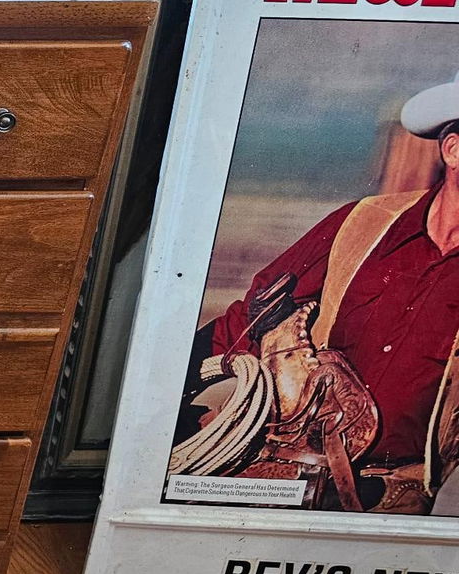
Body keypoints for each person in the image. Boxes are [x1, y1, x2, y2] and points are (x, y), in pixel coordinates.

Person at [179, 75, 459, 515]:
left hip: (395, 496)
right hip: (284, 474)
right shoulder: (362, 224)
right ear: (452, 150)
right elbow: (250, 322)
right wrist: (171, 414)